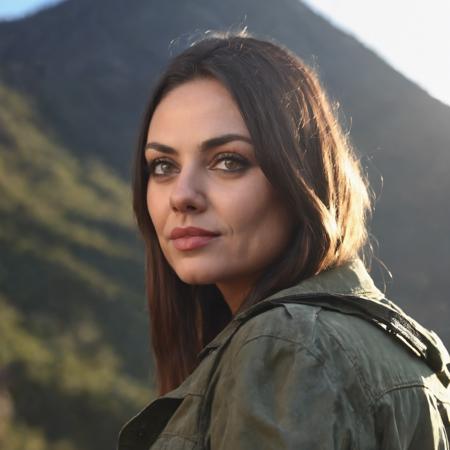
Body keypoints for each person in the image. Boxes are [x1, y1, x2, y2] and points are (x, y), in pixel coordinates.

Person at [118, 31, 450, 449]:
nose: (182, 195)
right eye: (163, 165)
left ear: (301, 177)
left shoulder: (287, 347)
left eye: (228, 161)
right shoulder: (398, 349)